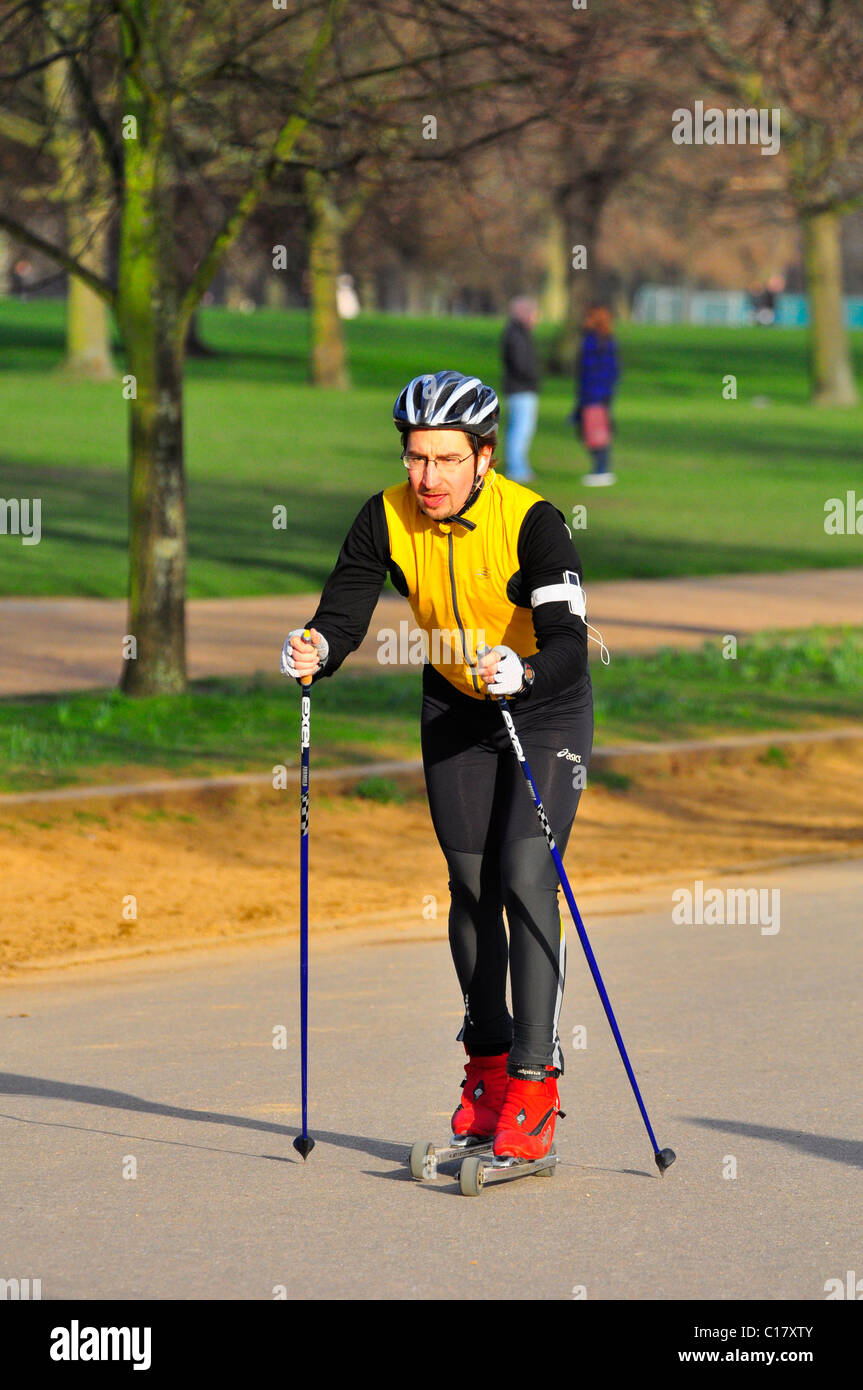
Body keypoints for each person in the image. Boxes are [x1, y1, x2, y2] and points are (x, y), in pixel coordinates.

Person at [280, 370, 595, 1163]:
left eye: (446, 459)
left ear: (484, 456)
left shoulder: (534, 524)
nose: (427, 478)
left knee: (524, 874)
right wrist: (318, 647)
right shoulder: (384, 516)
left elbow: (563, 643)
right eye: (416, 457)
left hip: (542, 706)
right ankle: (486, 1074)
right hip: (454, 705)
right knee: (470, 884)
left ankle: (535, 1083)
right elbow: (341, 613)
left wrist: (522, 673)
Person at [574, 305, 620, 486]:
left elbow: (595, 371)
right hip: (597, 394)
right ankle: (600, 468)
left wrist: (597, 393)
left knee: (596, 433)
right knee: (590, 432)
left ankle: (602, 469)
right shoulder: (602, 340)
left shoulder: (596, 342)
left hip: (594, 395)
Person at [500, 296, 541, 483]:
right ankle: (517, 468)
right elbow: (521, 364)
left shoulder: (517, 333)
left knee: (519, 429)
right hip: (521, 389)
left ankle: (519, 466)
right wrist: (534, 377)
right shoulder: (516, 335)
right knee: (520, 430)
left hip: (519, 388)